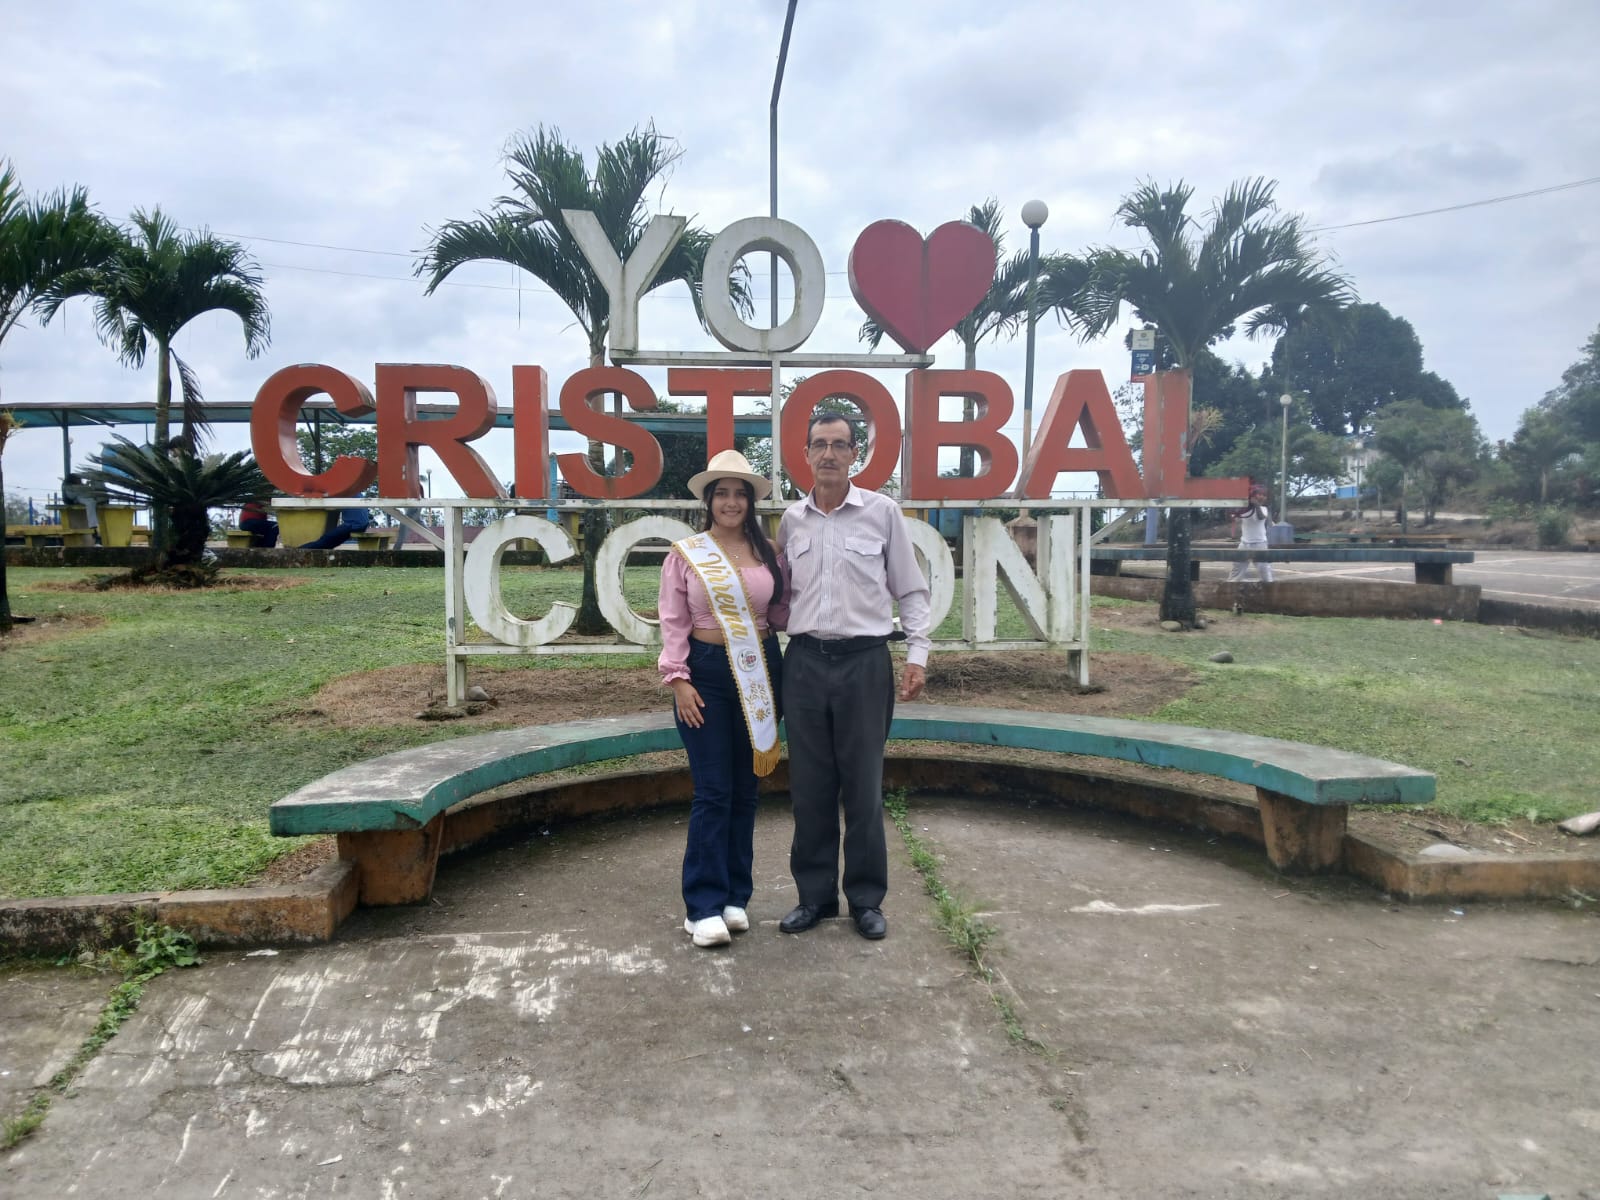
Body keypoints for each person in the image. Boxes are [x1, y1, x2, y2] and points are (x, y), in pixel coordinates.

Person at [776, 413, 931, 941]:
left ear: (854, 454)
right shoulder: (791, 521)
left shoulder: (882, 512)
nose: (829, 454)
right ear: (805, 453)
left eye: (839, 445)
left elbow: (910, 588)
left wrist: (918, 654)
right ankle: (814, 898)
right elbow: (779, 595)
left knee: (863, 789)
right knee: (809, 788)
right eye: (819, 444)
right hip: (804, 663)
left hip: (865, 664)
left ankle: (866, 900)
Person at [657, 450, 788, 949]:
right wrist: (678, 679)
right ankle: (702, 905)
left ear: (751, 502)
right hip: (705, 673)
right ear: (708, 500)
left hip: (761, 668)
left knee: (746, 788)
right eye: (722, 493)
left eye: (740, 494)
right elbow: (673, 620)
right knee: (713, 790)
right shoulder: (687, 554)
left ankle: (736, 896)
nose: (731, 502)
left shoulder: (769, 552)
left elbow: (781, 611)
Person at [1227, 485, 1274, 582]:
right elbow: (1234, 518)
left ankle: (1269, 587)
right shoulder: (1244, 510)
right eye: (1259, 494)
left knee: (1264, 570)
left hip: (1260, 544)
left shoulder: (1264, 509)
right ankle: (1231, 585)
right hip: (1244, 544)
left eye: (1264, 495)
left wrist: (1256, 504)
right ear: (1253, 496)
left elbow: (1261, 517)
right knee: (1237, 569)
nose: (1262, 497)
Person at [300, 506, 372, 550]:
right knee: (329, 543)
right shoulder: (355, 492)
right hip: (362, 525)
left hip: (353, 525)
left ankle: (298, 551)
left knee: (323, 542)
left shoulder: (346, 493)